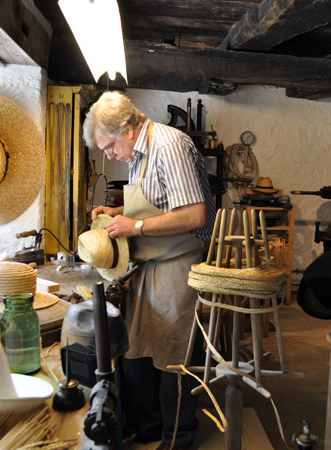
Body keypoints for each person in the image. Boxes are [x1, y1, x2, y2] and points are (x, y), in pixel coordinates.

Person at [83, 91, 216, 450]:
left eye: (110, 147)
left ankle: (177, 437)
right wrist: (119, 214)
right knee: (139, 349)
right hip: (151, 262)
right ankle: (149, 427)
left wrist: (136, 227)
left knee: (174, 354)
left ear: (127, 129)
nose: (110, 155)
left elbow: (194, 215)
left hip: (179, 261)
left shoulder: (169, 145)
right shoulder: (138, 152)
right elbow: (159, 203)